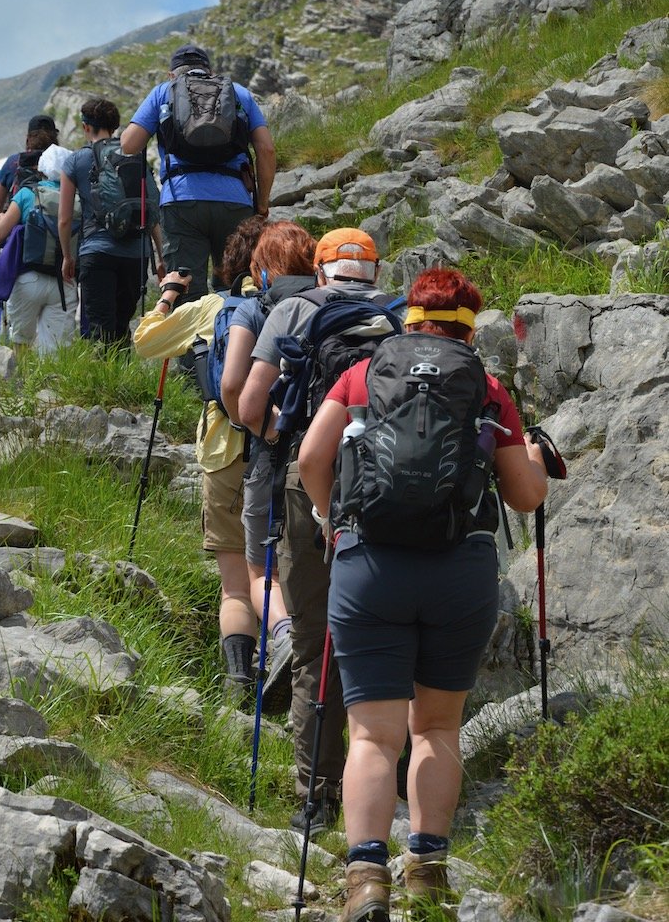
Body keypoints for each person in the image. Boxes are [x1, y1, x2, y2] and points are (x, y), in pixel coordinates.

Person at [297, 267, 549, 922]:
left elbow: (309, 459)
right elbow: (525, 496)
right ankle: (428, 871)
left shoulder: (363, 375)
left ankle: (366, 880)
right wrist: (537, 463)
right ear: (470, 324)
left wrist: (333, 523)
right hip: (457, 572)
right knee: (436, 727)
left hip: (369, 566)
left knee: (373, 737)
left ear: (409, 318)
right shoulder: (487, 389)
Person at [237, 227, 396, 833]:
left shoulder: (294, 311)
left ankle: (317, 796)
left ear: (321, 268)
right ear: (374, 272)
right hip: (381, 486)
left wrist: (288, 440)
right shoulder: (394, 317)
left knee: (313, 643)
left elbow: (251, 408)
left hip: (310, 485)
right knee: (379, 638)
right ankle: (384, 776)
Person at [133, 216, 275, 701]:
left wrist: (170, 292)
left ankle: (240, 682)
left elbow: (145, 340)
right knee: (289, 570)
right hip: (292, 449)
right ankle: (295, 659)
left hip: (226, 449)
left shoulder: (215, 307)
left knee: (236, 582)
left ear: (231, 262)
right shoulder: (303, 305)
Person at [219, 220, 317, 712]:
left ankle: (281, 638)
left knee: (260, 568)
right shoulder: (334, 303)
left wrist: (271, 430)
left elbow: (234, 388)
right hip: (334, 457)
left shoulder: (255, 307)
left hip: (273, 456)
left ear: (261, 267)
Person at [119, 43, 276, 304]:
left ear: (173, 74)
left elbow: (128, 144)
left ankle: (195, 344)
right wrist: (261, 204)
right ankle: (234, 339)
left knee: (185, 288)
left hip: (181, 202)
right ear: (210, 71)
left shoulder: (162, 92)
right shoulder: (238, 93)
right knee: (237, 285)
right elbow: (267, 150)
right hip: (235, 201)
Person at [58, 97, 164, 345]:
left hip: (97, 251)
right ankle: (122, 378)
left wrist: (67, 257)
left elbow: (64, 219)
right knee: (120, 325)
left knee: (100, 330)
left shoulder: (75, 161)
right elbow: (152, 211)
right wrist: (161, 256)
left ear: (86, 127)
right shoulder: (135, 156)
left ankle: (104, 381)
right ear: (115, 126)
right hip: (136, 254)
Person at [0, 143, 77, 356]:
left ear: (42, 168)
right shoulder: (77, 197)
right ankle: (50, 389)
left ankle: (22, 384)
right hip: (64, 282)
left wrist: (1, 218)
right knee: (55, 351)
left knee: (21, 344)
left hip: (28, 280)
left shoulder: (28, 194)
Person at [0, 114, 60, 217]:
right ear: (55, 137)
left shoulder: (13, 162)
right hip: (59, 226)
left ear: (28, 137)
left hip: (23, 227)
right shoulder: (65, 161)